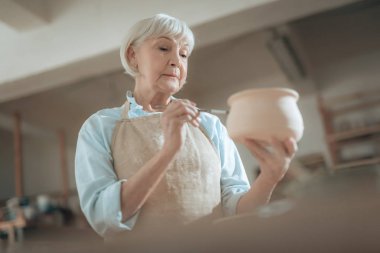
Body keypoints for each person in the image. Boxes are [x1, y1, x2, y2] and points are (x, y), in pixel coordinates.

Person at [75, 13, 297, 239]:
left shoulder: (210, 125)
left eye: (183, 54)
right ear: (133, 56)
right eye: (163, 48)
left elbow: (236, 211)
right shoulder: (99, 126)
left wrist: (270, 176)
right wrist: (169, 150)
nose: (176, 61)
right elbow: (104, 217)